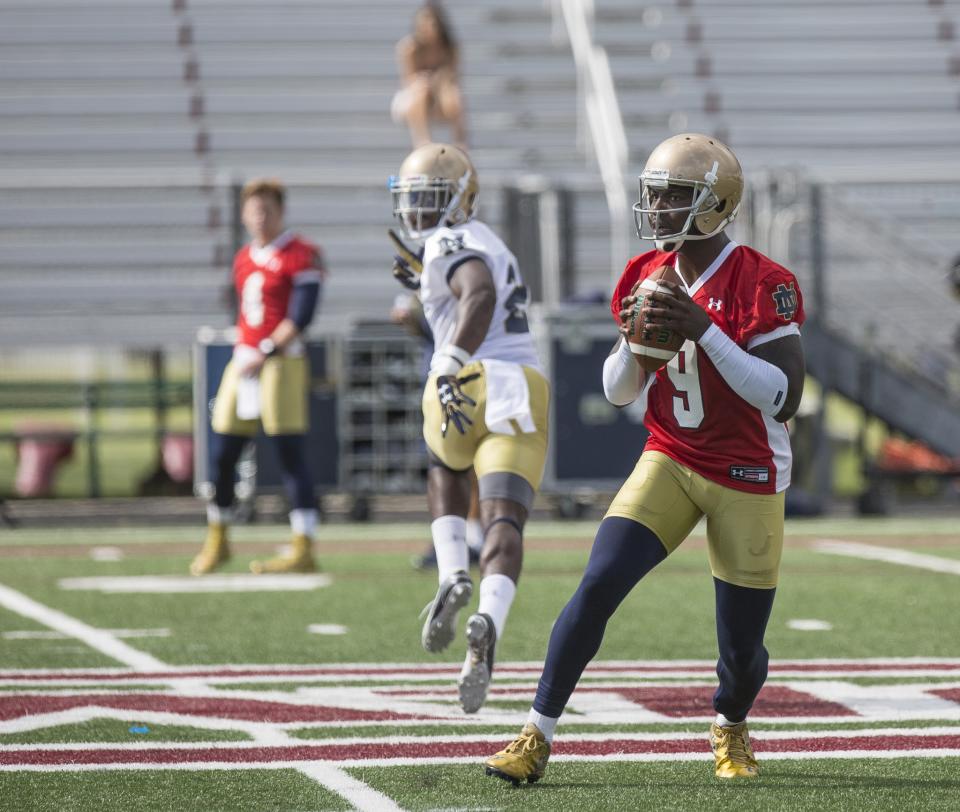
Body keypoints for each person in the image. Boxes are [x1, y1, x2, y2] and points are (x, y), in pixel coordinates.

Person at [485, 133, 806, 783]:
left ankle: (730, 724)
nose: (656, 208)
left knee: (741, 655)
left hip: (748, 472)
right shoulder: (644, 275)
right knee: (598, 582)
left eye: (674, 196)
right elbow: (619, 390)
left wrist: (701, 329)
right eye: (653, 195)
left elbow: (784, 397)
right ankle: (535, 733)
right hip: (672, 456)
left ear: (715, 205)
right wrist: (638, 349)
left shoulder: (763, 283)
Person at [388, 142, 550, 713]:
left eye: (430, 199)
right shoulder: (484, 239)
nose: (419, 212)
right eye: (414, 200)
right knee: (504, 518)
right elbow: (474, 289)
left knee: (446, 464)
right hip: (520, 384)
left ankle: (454, 570)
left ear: (460, 201)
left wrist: (448, 360)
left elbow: (477, 291)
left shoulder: (451, 241)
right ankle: (488, 618)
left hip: (469, 378)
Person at [190, 178, 325, 576]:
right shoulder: (245, 256)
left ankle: (304, 545)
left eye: (266, 209)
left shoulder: (301, 254)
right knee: (223, 452)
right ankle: (219, 536)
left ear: (281, 211)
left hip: (280, 361)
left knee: (288, 453)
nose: (259, 217)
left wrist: (267, 350)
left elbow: (301, 316)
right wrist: (249, 349)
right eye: (253, 210)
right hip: (244, 359)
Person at [390, 291, 485, 569]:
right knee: (443, 461)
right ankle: (453, 539)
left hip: (465, 372)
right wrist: (411, 319)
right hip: (438, 373)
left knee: (465, 461)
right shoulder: (428, 276)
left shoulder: (458, 271)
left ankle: (473, 536)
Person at [391, 2, 468, 150]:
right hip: (413, 99)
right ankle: (422, 141)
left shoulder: (449, 48)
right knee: (421, 88)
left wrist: (438, 81)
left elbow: (453, 78)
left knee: (454, 93)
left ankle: (460, 142)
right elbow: (408, 82)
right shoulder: (410, 48)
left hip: (439, 98)